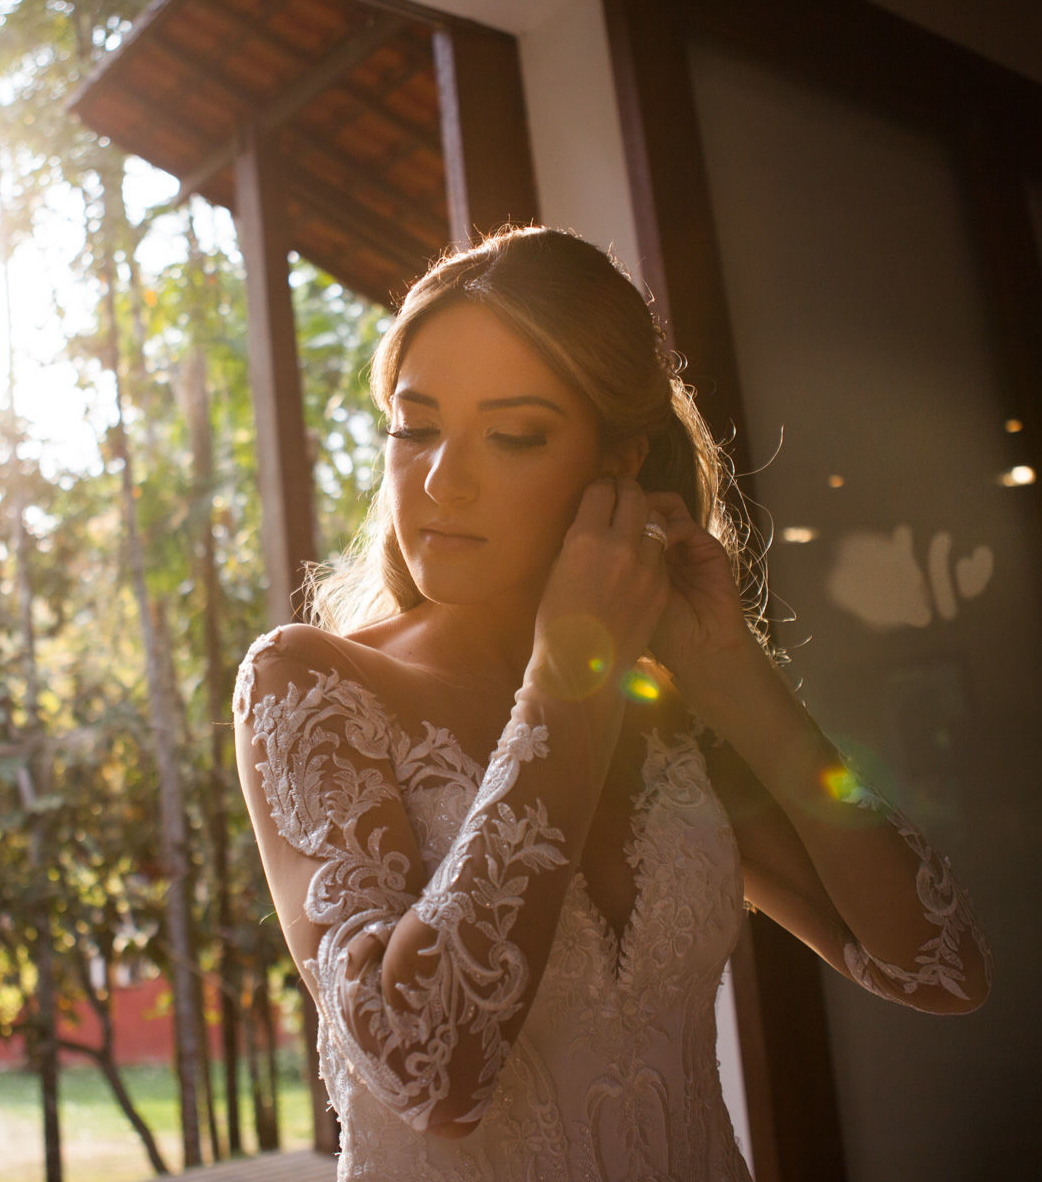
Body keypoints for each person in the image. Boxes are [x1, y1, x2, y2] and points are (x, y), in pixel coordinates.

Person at [230, 226, 991, 1180]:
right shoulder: (310, 686)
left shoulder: (669, 712)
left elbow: (942, 966)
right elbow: (431, 1070)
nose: (439, 480)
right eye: (414, 427)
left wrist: (735, 680)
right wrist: (568, 684)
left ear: (618, 462)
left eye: (511, 436)